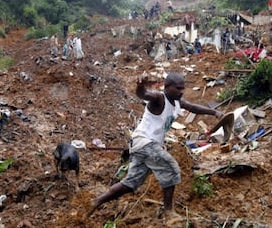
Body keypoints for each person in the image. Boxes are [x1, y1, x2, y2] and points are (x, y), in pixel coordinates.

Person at [85, 72, 224, 223]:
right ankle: (168, 211)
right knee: (171, 168)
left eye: (183, 88)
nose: (181, 91)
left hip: (143, 146)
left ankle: (96, 201)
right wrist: (140, 86)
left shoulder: (177, 102)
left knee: (130, 184)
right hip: (145, 142)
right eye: (178, 88)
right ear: (167, 87)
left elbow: (193, 107)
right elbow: (144, 94)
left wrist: (214, 112)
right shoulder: (159, 98)